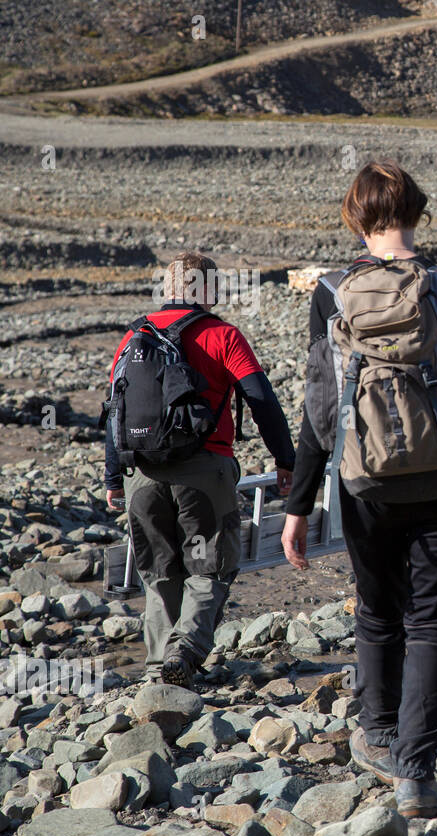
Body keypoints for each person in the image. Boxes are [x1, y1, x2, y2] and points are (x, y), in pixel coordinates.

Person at [279, 160, 437, 819]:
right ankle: (416, 772)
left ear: (356, 217)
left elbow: (320, 410)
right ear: (416, 211)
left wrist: (298, 505)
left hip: (364, 482)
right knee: (433, 618)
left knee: (377, 609)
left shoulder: (331, 290)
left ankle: (378, 732)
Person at [105, 251, 296, 688]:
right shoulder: (222, 335)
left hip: (143, 474)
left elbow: (114, 409)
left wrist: (114, 476)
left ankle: (160, 676)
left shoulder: (133, 337)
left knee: (158, 572)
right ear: (208, 290)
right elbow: (261, 399)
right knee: (209, 566)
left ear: (167, 287)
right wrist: (286, 461)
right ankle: (186, 650)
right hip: (206, 470)